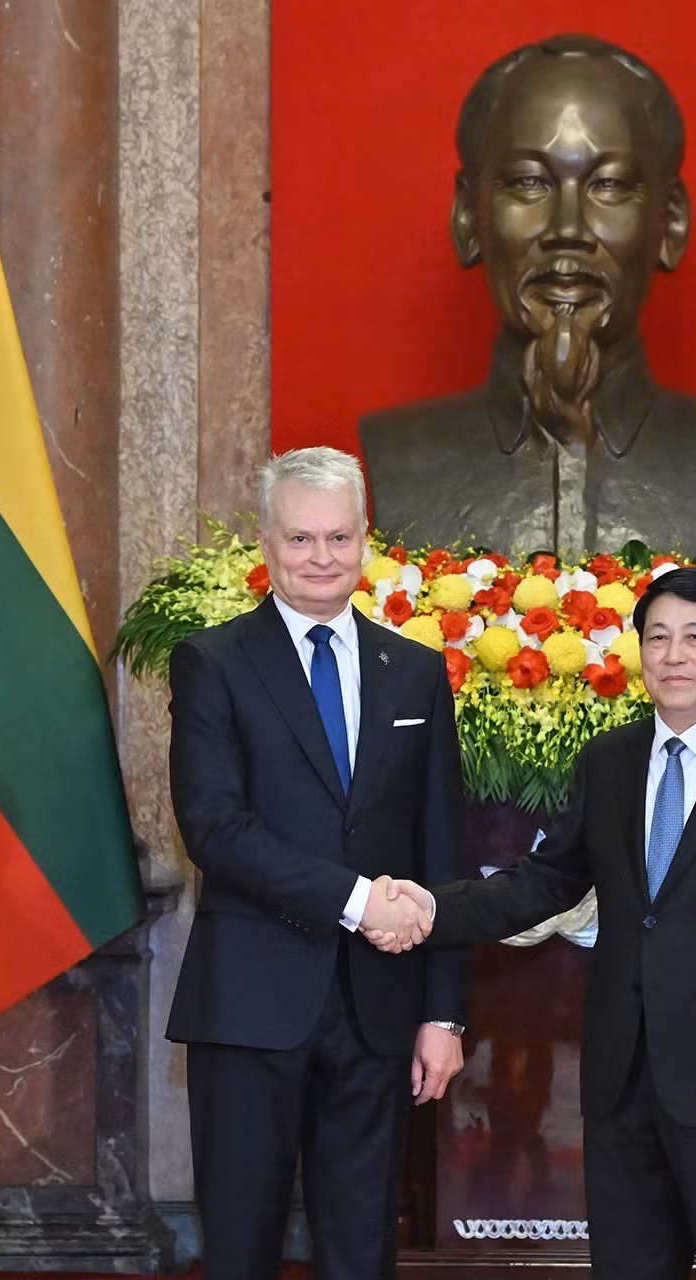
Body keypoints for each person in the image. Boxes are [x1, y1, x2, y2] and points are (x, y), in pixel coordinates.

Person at [370, 567, 696, 1279]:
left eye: (695, 638)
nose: (674, 656)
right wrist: (430, 908)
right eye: (658, 638)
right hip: (621, 1079)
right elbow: (545, 882)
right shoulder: (610, 761)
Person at [165, 446, 469, 1280]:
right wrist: (360, 900)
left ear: (366, 539)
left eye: (339, 537)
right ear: (266, 542)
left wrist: (445, 1015)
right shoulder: (214, 662)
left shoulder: (415, 672)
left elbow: (442, 848)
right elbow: (215, 828)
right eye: (300, 539)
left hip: (380, 1012)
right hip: (249, 1003)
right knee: (240, 1249)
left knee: (363, 1251)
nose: (322, 558)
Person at [359, 34, 696, 558]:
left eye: (610, 185)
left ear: (670, 222)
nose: (568, 229)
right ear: (468, 217)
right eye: (529, 182)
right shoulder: (398, 456)